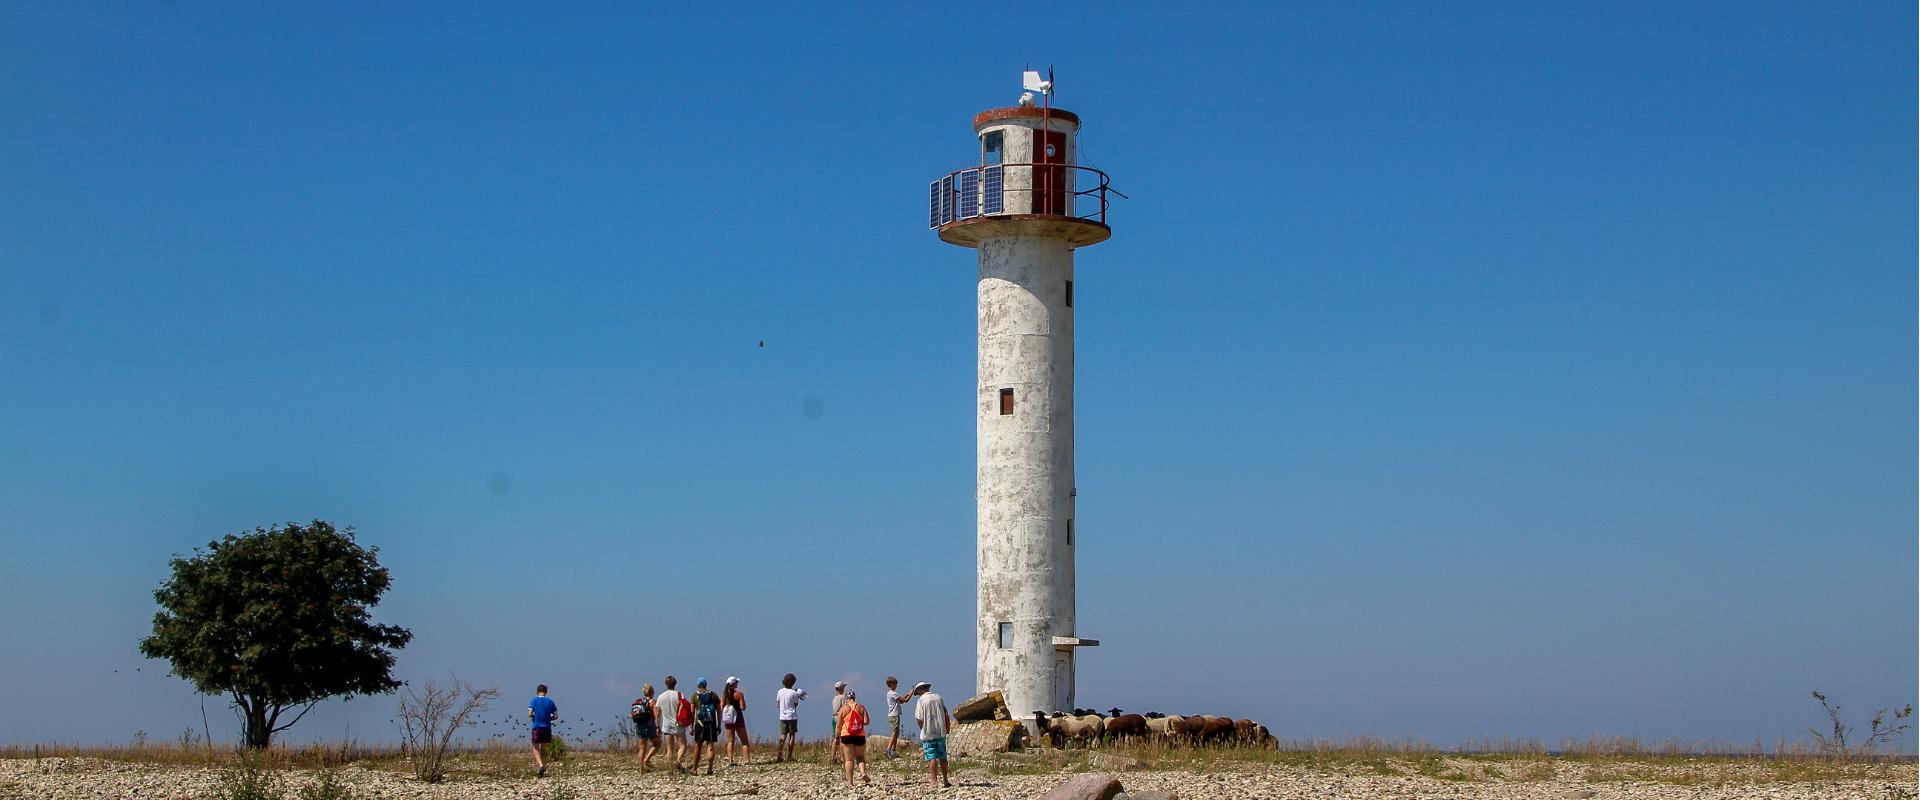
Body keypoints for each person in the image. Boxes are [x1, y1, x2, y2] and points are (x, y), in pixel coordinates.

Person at [909, 681, 953, 788]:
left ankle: (934, 781)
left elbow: (919, 718)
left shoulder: (921, 701)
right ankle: (946, 780)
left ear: (920, 690)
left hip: (928, 732)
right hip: (940, 731)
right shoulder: (938, 697)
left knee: (931, 756)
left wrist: (923, 728)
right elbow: (945, 713)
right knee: (942, 756)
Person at [836, 689, 872, 787]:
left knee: (849, 760)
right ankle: (863, 772)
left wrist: (837, 737)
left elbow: (839, 725)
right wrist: (857, 722)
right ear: (854, 697)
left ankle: (850, 783)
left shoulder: (843, 708)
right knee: (860, 757)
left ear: (847, 698)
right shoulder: (861, 707)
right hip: (859, 735)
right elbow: (867, 721)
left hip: (846, 735)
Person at [656, 675, 689, 772]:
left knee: (669, 748)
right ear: (675, 683)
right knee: (683, 745)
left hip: (666, 724)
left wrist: (657, 725)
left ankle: (670, 768)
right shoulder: (680, 695)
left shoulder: (661, 697)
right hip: (678, 723)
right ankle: (678, 760)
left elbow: (658, 714)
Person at [527, 684, 560, 778]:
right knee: (543, 748)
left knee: (535, 747)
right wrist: (549, 719)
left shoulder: (534, 700)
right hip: (547, 727)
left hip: (537, 726)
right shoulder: (550, 701)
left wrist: (534, 716)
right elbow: (556, 716)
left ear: (537, 691)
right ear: (546, 692)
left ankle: (540, 765)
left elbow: (529, 714)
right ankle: (542, 766)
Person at [690, 677, 722, 775]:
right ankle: (710, 768)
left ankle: (695, 769)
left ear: (698, 685)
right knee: (710, 745)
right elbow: (719, 711)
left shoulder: (695, 696)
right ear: (706, 684)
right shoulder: (713, 695)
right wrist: (719, 724)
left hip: (699, 724)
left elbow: (692, 712)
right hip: (711, 723)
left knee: (698, 746)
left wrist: (691, 727)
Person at [774, 673, 807, 763]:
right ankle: (789, 756)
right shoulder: (794, 693)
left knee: (783, 735)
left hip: (782, 716)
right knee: (792, 736)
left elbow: (778, 704)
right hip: (792, 716)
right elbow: (795, 705)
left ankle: (779, 755)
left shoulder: (780, 691)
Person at [630, 684, 660, 773]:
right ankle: (647, 759)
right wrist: (658, 727)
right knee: (657, 744)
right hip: (649, 726)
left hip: (639, 726)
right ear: (652, 693)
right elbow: (656, 715)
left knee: (642, 747)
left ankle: (640, 769)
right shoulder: (652, 702)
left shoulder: (638, 701)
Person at [721, 676, 751, 766]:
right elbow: (743, 708)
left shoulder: (724, 695)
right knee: (744, 741)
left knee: (730, 741)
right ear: (734, 684)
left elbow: (721, 707)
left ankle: (730, 760)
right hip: (738, 719)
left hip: (728, 720)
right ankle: (746, 760)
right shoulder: (739, 694)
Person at [883, 676, 905, 759]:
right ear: (891, 684)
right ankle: (888, 749)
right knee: (894, 733)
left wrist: (906, 696)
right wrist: (910, 694)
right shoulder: (893, 693)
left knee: (896, 733)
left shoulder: (889, 693)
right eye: (895, 683)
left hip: (893, 715)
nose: (896, 685)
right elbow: (904, 701)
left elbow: (901, 701)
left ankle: (893, 750)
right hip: (894, 715)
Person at [829, 680, 847, 763]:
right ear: (841, 688)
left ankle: (832, 757)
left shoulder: (834, 698)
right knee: (841, 738)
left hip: (834, 718)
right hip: (840, 718)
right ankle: (842, 757)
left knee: (835, 738)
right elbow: (844, 709)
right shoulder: (843, 697)